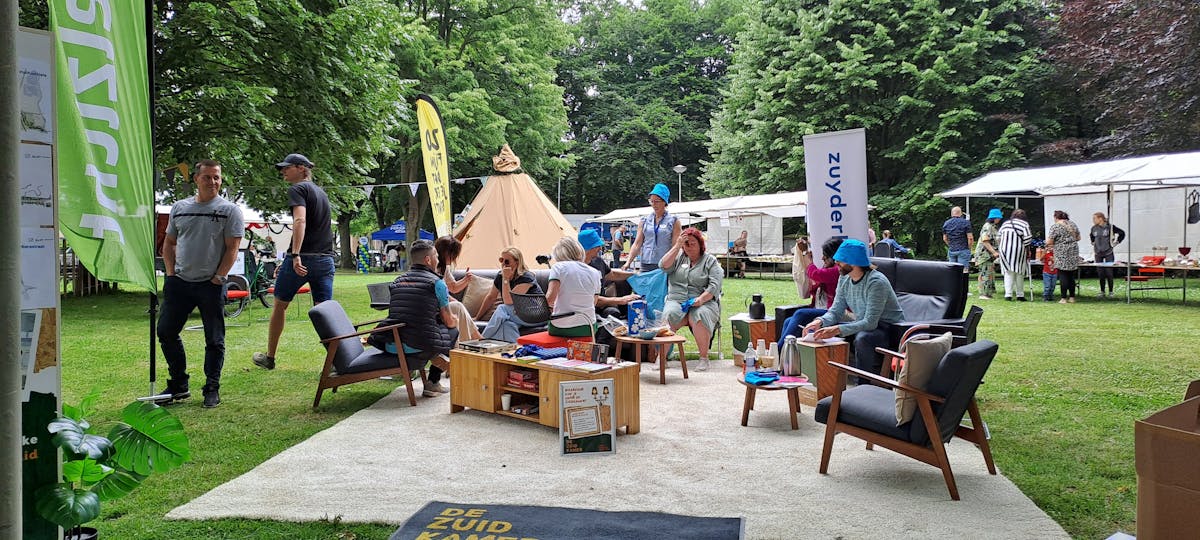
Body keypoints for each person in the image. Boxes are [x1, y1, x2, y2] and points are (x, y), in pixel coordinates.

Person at [157, 159, 244, 408]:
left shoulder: (230, 210)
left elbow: (232, 248)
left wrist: (219, 277)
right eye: (207, 177)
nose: (213, 181)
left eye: (217, 177)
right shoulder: (179, 208)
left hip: (211, 284)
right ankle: (179, 384)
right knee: (166, 332)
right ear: (196, 179)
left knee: (214, 339)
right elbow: (169, 243)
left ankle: (211, 387)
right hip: (179, 282)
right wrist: (171, 274)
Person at [253, 154, 337, 370]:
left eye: (286, 167)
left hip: (302, 259)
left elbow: (300, 220)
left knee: (280, 306)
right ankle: (338, 361)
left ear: (301, 168)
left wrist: (296, 255)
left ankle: (270, 357)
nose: (282, 171)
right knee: (324, 312)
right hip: (325, 259)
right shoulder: (321, 193)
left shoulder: (297, 189)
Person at [803, 239, 905, 383]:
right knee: (820, 329)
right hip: (864, 323)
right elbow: (836, 311)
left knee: (862, 338)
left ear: (853, 261)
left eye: (840, 260)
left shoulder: (876, 282)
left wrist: (836, 329)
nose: (836, 263)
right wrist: (820, 322)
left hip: (889, 329)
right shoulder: (844, 279)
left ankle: (863, 385)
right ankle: (826, 382)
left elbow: (870, 323)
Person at [369, 240, 458, 398]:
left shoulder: (397, 281)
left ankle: (436, 359)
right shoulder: (437, 283)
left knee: (432, 331)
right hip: (417, 345)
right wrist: (455, 320)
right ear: (428, 260)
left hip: (392, 343)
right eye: (436, 256)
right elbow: (448, 320)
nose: (438, 260)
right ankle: (433, 382)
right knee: (452, 331)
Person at [660, 227, 724, 371]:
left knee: (700, 314)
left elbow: (715, 286)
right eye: (686, 243)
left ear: (701, 244)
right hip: (677, 300)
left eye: (692, 243)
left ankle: (704, 358)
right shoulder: (678, 257)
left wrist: (701, 299)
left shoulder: (710, 261)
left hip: (704, 301)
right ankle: (661, 358)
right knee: (669, 314)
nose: (689, 247)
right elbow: (663, 266)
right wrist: (677, 246)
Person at [780, 237, 845, 340]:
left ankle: (779, 348)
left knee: (800, 314)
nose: (822, 258)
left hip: (833, 312)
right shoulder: (829, 268)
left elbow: (814, 274)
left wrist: (805, 253)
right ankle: (786, 348)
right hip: (821, 309)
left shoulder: (838, 271)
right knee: (788, 321)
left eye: (825, 255)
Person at [477, 247, 543, 342]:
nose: (503, 264)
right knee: (507, 325)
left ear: (517, 262)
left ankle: (481, 340)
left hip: (537, 314)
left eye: (507, 261)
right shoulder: (500, 276)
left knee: (502, 308)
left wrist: (506, 279)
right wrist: (477, 317)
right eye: (501, 260)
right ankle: (517, 349)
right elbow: (491, 297)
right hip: (519, 314)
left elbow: (509, 301)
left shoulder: (526, 277)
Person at [545, 237, 603, 340]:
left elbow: (550, 299)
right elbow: (593, 302)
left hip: (561, 327)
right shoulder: (595, 273)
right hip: (589, 327)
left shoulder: (558, 267)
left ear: (558, 254)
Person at [579, 229, 639, 320]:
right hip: (585, 309)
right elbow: (590, 299)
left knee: (614, 312)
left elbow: (612, 275)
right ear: (589, 248)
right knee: (612, 312)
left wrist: (634, 275)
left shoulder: (598, 261)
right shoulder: (577, 269)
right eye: (597, 246)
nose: (600, 249)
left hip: (602, 305)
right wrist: (621, 300)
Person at [623, 183, 681, 272]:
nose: (654, 204)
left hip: (664, 264)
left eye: (657, 201)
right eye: (651, 201)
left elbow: (675, 246)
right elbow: (637, 244)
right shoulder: (644, 220)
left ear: (664, 202)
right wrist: (628, 262)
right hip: (645, 263)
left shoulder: (673, 221)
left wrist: (674, 263)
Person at [433, 236, 482, 341]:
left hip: (439, 306)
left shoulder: (445, 268)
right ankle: (476, 340)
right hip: (435, 308)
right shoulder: (434, 270)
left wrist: (466, 279)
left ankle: (478, 339)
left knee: (458, 306)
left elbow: (453, 287)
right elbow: (442, 292)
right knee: (458, 306)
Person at [1047, 210, 1082, 304]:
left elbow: (1049, 241)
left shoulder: (1056, 226)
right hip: (1073, 251)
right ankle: (1072, 297)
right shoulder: (1072, 224)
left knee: (1063, 274)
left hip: (1061, 252)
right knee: (1071, 275)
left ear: (1056, 217)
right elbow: (1078, 238)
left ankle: (1063, 298)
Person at [997, 208, 1032, 301]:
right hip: (1018, 250)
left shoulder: (1006, 223)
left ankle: (1008, 294)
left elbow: (998, 237)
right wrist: (1027, 249)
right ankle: (1020, 295)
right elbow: (1028, 239)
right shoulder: (1024, 224)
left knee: (1008, 272)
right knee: (1019, 272)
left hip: (1004, 250)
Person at [1090, 212, 1126, 298]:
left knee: (1109, 272)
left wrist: (1117, 242)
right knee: (1100, 273)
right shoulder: (1094, 228)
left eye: (1094, 218)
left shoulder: (1110, 227)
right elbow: (1091, 235)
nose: (1093, 220)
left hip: (1108, 252)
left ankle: (1111, 292)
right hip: (1098, 253)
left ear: (1100, 218)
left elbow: (1122, 233)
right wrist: (1093, 242)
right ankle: (1102, 291)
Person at [974, 208, 1003, 299]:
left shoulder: (992, 227)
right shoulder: (987, 227)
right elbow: (985, 240)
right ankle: (983, 294)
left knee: (989, 273)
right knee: (985, 274)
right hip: (984, 255)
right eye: (998, 218)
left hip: (988, 255)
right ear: (994, 218)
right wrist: (994, 252)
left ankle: (988, 293)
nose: (999, 219)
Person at [942, 206, 974, 272]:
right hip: (963, 249)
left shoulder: (946, 223)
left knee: (952, 270)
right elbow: (970, 238)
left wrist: (950, 245)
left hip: (952, 250)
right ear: (961, 213)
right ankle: (963, 279)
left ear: (951, 214)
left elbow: (945, 238)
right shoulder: (966, 222)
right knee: (963, 270)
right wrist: (969, 247)